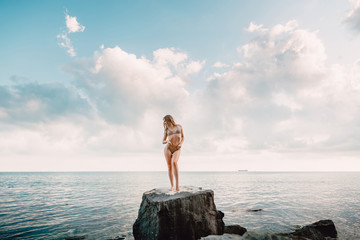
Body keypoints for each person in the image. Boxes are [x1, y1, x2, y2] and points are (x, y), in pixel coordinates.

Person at [162, 115, 184, 192]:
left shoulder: (179, 127)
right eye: (164, 121)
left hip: (177, 149)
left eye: (165, 120)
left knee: (174, 162)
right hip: (168, 148)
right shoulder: (166, 130)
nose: (164, 122)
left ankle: (177, 186)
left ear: (170, 120)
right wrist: (167, 141)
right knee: (169, 166)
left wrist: (181, 143)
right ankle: (172, 186)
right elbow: (163, 141)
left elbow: (183, 137)